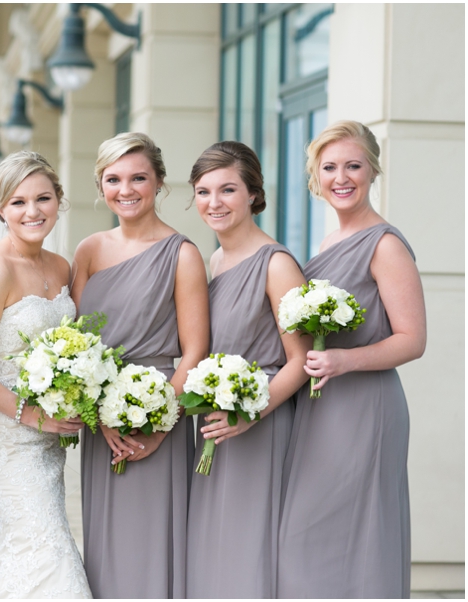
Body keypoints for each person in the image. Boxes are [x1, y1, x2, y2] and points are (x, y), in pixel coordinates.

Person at [277, 120, 425, 598]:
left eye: (353, 166)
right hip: (322, 407)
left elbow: (412, 339)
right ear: (315, 178)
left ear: (373, 170)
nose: (341, 177)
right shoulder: (328, 242)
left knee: (354, 536)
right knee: (308, 539)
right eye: (330, 167)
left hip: (364, 405)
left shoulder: (385, 244)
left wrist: (345, 362)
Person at [70, 132, 209, 598]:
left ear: (160, 183)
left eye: (138, 178)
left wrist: (158, 423)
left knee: (151, 546)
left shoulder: (183, 254)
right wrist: (97, 414)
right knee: (105, 547)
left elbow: (194, 351)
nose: (125, 190)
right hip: (100, 424)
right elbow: (73, 348)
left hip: (156, 416)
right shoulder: (88, 250)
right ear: (100, 184)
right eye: (113, 179)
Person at [0, 151, 91, 598]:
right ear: (0, 210)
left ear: (58, 201)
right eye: (18, 202)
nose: (32, 211)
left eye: (43, 198)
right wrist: (31, 415)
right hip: (5, 435)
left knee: (16, 546)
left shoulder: (61, 266)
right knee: (43, 546)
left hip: (49, 437)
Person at [183, 141, 310, 598]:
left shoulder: (276, 265)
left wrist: (249, 413)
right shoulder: (213, 261)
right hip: (215, 426)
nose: (213, 203)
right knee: (214, 552)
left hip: (259, 427)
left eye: (227, 190)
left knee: (247, 552)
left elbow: (301, 361)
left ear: (254, 194)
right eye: (203, 191)